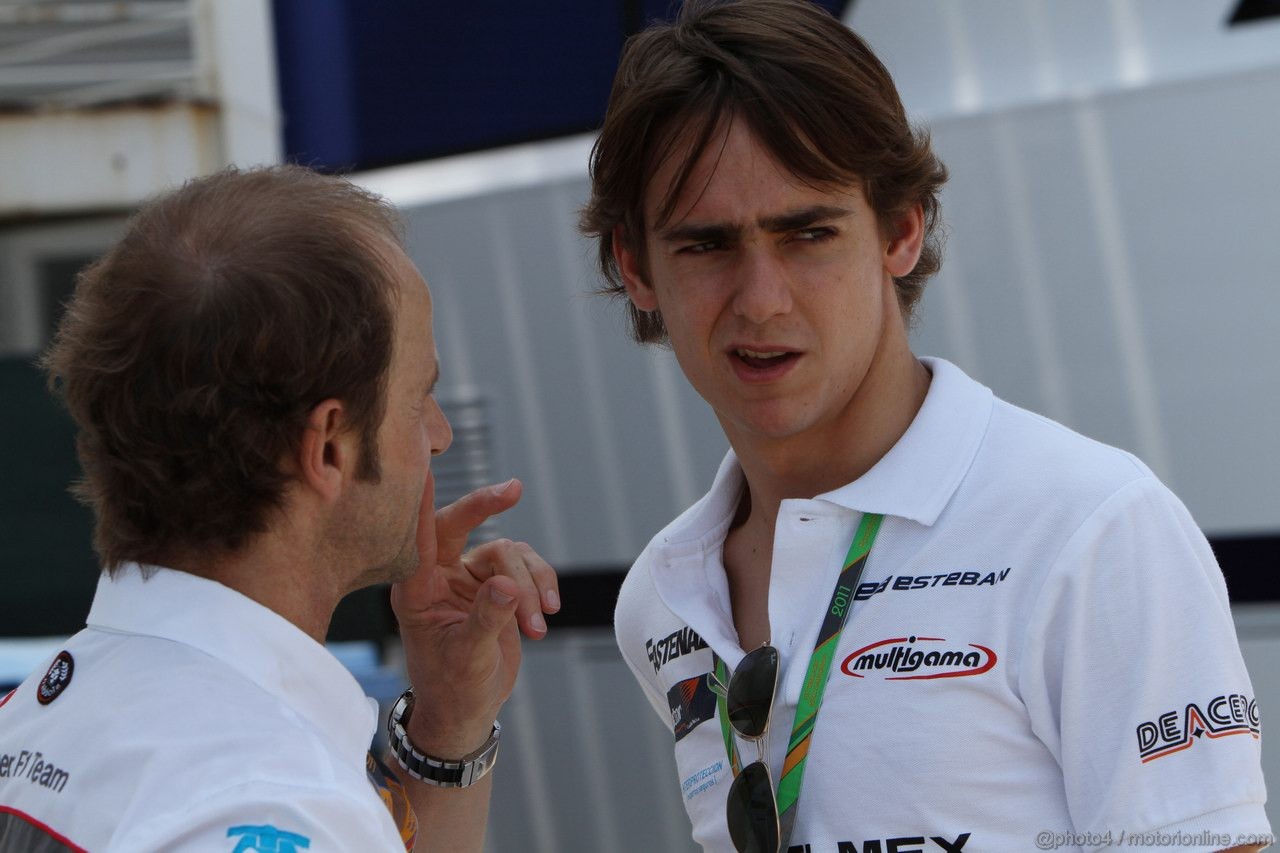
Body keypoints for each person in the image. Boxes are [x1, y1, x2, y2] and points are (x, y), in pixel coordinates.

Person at [580, 2, 1270, 852]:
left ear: (901, 229)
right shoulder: (664, 592)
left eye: (807, 234)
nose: (761, 299)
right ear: (635, 267)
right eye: (706, 246)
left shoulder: (1092, 528)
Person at [0, 166, 560, 852]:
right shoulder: (269, 801)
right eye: (420, 397)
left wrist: (449, 729)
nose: (440, 434)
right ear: (327, 447)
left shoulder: (29, 721)